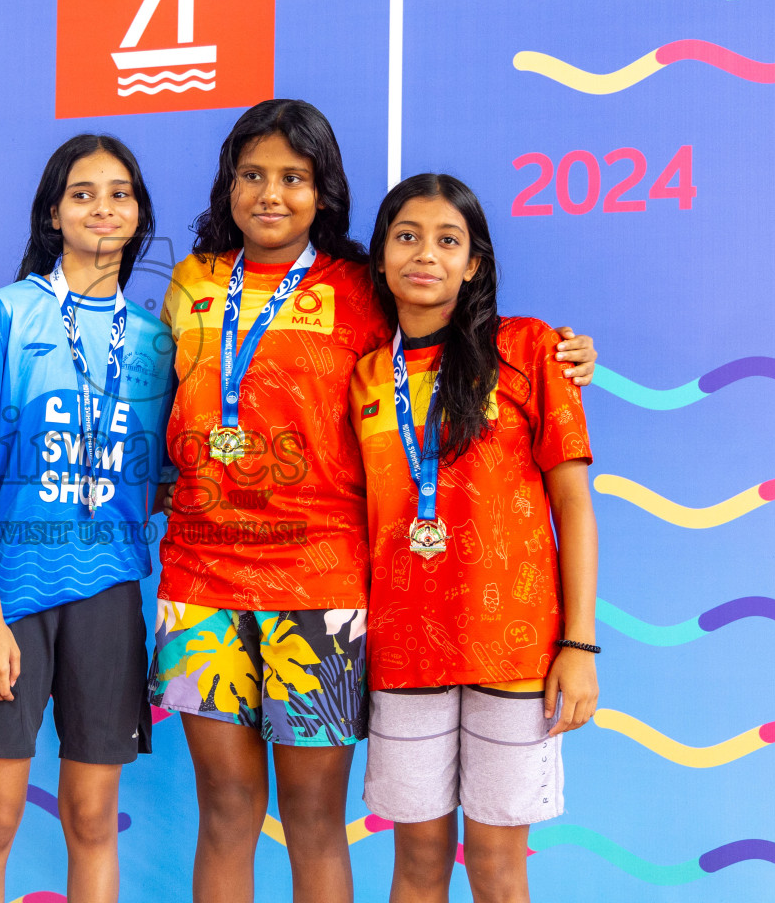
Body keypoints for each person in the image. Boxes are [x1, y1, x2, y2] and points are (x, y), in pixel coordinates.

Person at [148, 100, 597, 903]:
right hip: (201, 582)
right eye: (252, 175)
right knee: (224, 809)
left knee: (316, 817)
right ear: (228, 185)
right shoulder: (189, 282)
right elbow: (161, 408)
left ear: (325, 192)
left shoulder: (365, 285)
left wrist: (567, 352)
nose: (271, 194)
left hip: (324, 588)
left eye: (293, 177)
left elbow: (455, 327)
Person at [351, 174, 599, 903]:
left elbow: (575, 509)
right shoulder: (365, 376)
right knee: (419, 869)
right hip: (404, 653)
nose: (425, 254)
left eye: (447, 240)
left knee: (496, 871)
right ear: (382, 256)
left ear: (474, 263)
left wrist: (579, 648)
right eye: (406, 236)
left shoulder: (529, 349)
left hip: (516, 653)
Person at [0, 135, 176, 903]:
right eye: (82, 192)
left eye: (120, 192)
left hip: (109, 592)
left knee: (92, 816)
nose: (102, 207)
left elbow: (165, 479)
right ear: (54, 212)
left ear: (138, 212)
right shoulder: (3, 317)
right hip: (9, 595)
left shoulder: (155, 341)